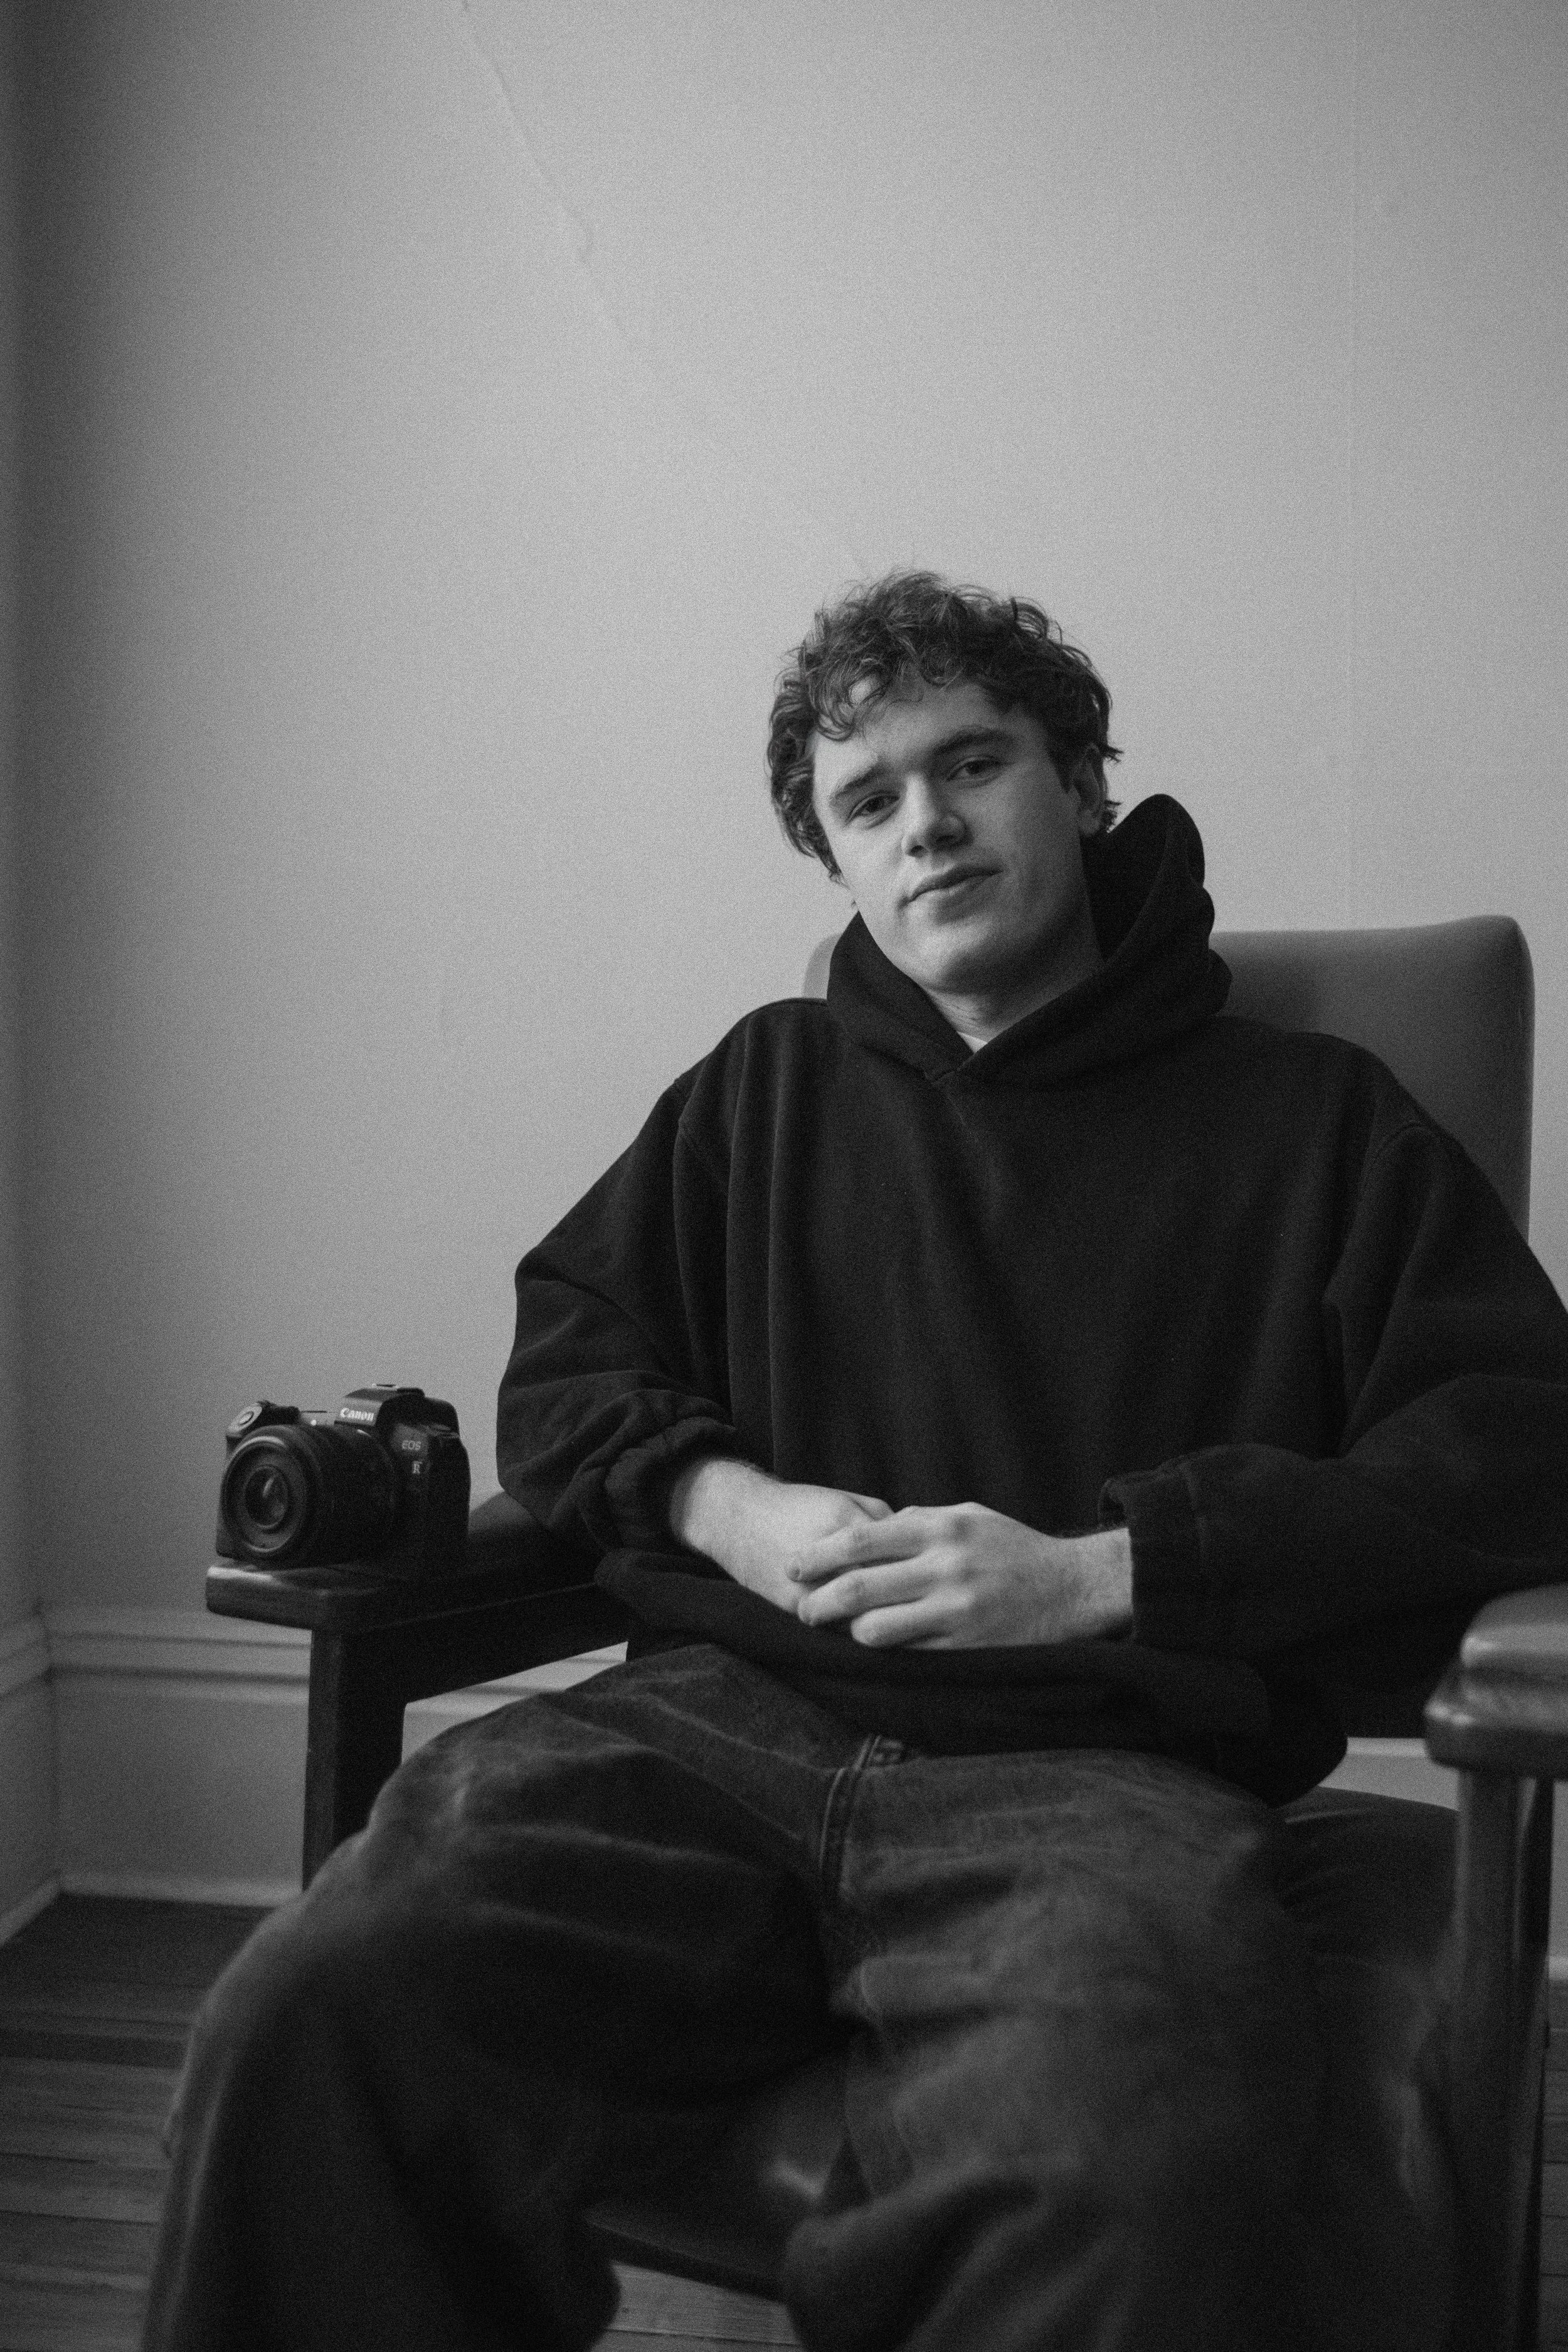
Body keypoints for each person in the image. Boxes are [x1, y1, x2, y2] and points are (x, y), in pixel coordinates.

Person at [144, 573, 1568, 2352]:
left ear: (1081, 780)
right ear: (834, 859)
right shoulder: (765, 1089)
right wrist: (727, 1509)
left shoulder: (1312, 1121)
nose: (926, 825)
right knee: (315, 2010)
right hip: (699, 1728)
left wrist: (1106, 1567)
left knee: (1128, 2165)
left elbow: (1517, 1444)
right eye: (867, 800)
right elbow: (572, 1353)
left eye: (970, 764)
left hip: (1097, 1775)